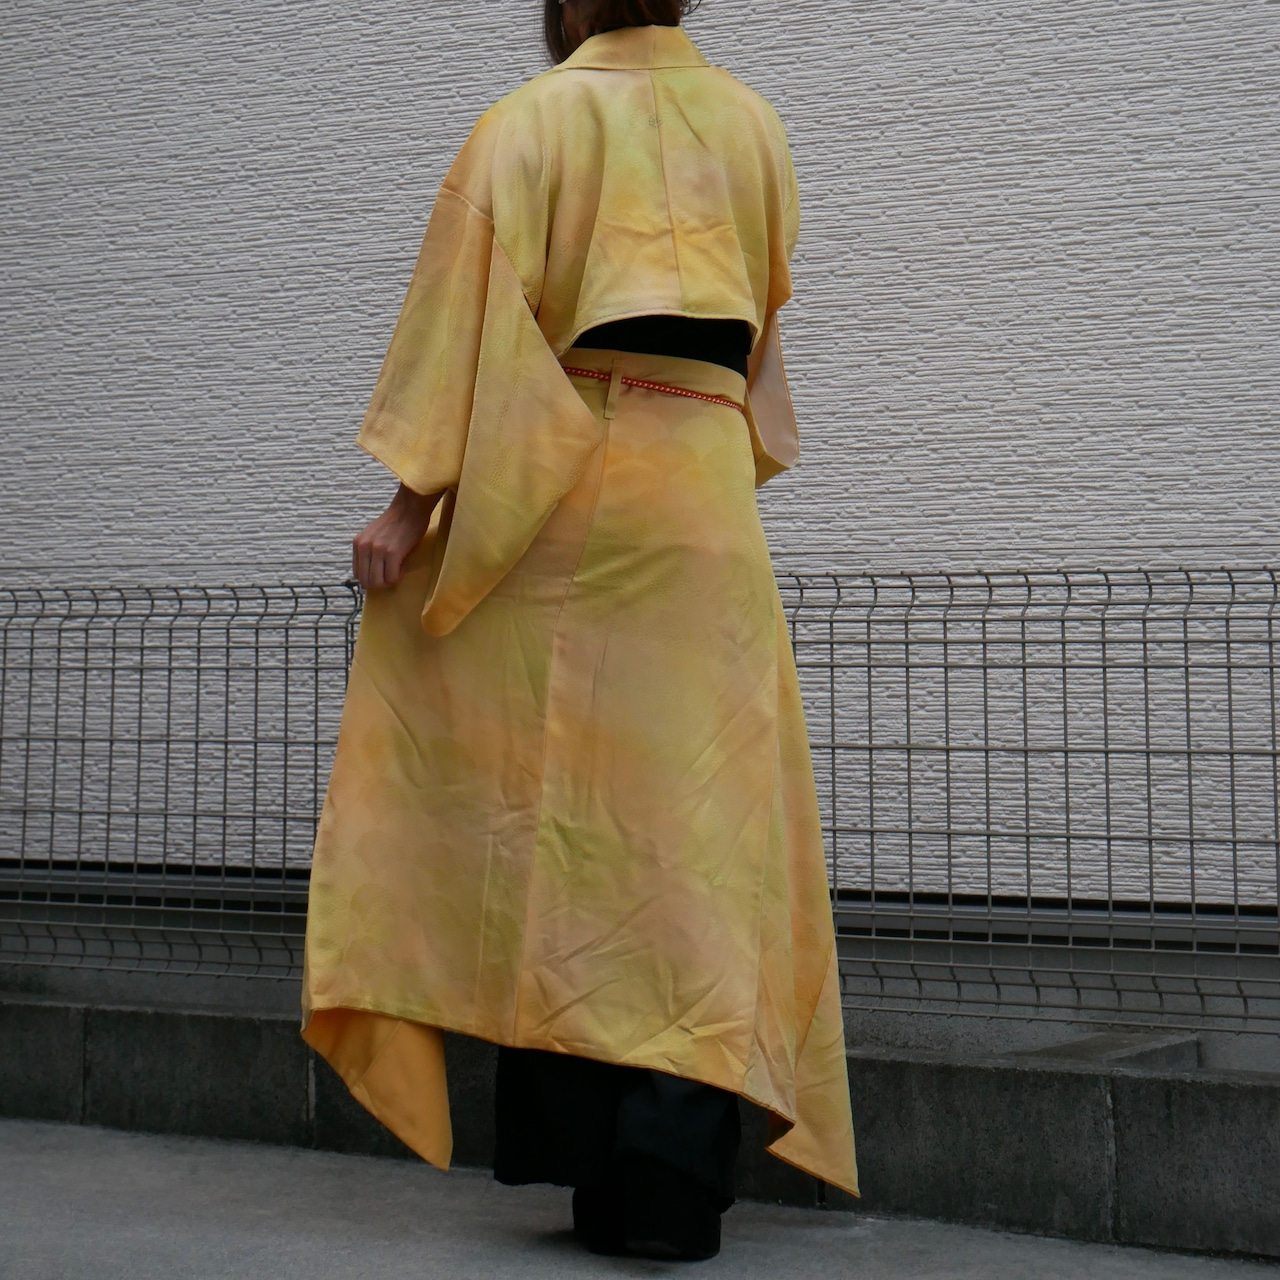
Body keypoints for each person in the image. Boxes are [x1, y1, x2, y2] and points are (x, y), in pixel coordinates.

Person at [301, 0, 858, 1261]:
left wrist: (408, 509)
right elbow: (761, 322)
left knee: (564, 827)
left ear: (564, 5)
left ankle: (591, 1158)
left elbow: (465, 317)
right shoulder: (752, 126)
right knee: (697, 842)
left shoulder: (532, 120)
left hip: (568, 498)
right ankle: (669, 1179)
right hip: (703, 503)